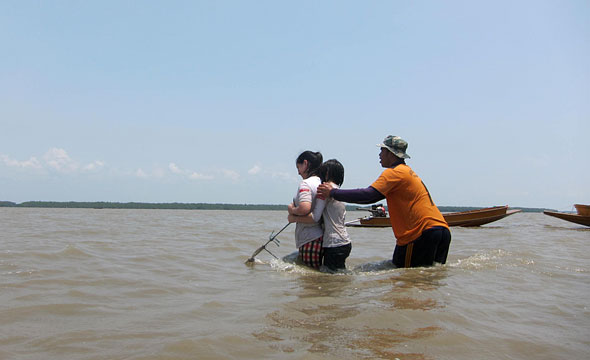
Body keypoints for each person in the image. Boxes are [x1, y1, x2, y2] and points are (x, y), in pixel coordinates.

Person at [317, 135, 451, 268]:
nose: (380, 155)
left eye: (382, 151)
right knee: (430, 280)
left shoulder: (394, 172)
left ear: (391, 153)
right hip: (441, 230)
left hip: (420, 233)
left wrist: (333, 192)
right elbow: (374, 196)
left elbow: (368, 195)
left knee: (407, 282)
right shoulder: (407, 172)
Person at [289, 159, 352, 272]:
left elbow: (315, 217)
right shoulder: (337, 190)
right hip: (345, 242)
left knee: (331, 280)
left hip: (333, 243)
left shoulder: (325, 190)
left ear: (327, 173)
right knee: (338, 277)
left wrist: (294, 217)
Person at [288, 151, 324, 269]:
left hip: (309, 239)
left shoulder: (306, 184)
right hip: (321, 238)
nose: (298, 172)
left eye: (298, 167)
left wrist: (292, 211)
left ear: (305, 163)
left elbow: (304, 208)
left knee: (310, 283)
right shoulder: (321, 182)